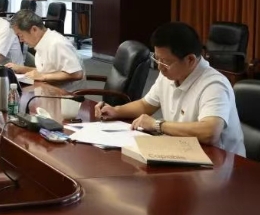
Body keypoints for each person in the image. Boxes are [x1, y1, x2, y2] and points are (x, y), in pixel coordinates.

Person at [96, 22, 245, 155]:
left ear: (190, 60)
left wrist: (157, 125)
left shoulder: (214, 84)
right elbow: (146, 105)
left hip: (220, 164)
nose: (160, 68)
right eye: (157, 59)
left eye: (165, 62)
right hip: (183, 152)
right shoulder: (169, 74)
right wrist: (116, 111)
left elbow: (210, 132)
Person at [6, 9, 85, 90]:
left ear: (34, 29)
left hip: (65, 95)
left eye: (21, 35)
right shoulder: (42, 42)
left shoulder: (56, 43)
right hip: (49, 90)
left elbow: (77, 74)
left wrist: (43, 76)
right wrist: (22, 69)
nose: (21, 40)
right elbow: (47, 71)